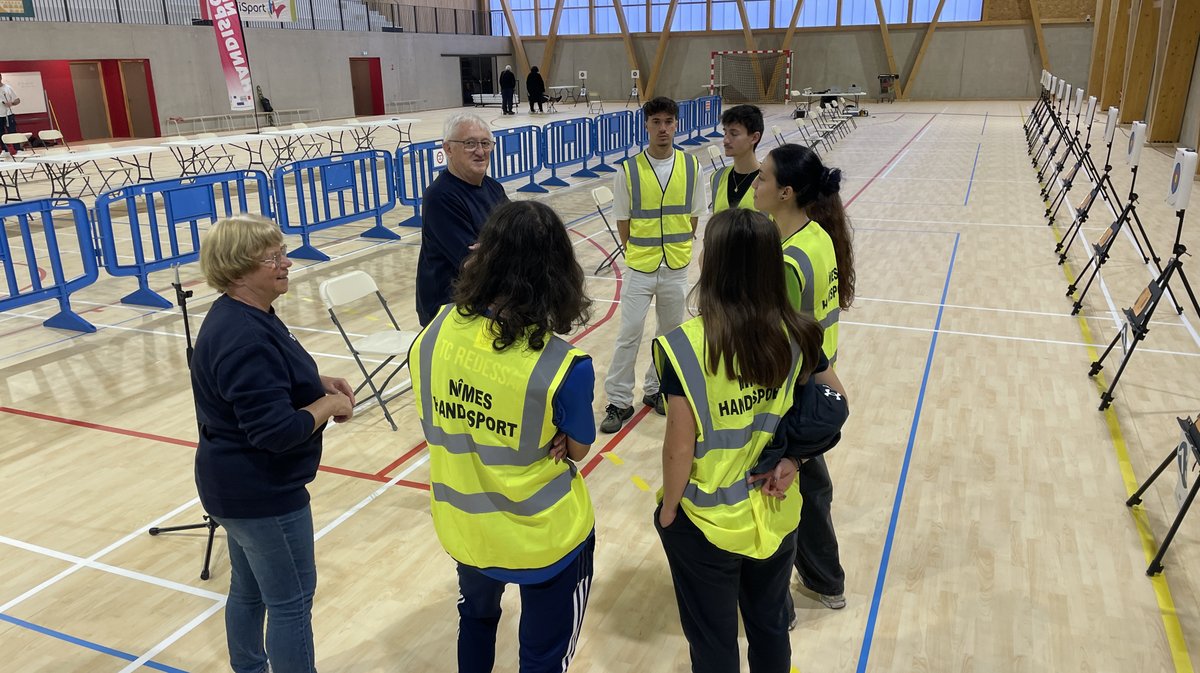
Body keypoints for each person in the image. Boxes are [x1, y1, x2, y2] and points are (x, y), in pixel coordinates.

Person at [653, 208, 846, 673]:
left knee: (713, 640)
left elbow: (680, 446)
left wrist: (669, 510)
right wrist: (797, 459)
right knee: (769, 626)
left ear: (712, 265)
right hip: (775, 510)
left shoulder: (683, 345)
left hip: (707, 520)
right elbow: (835, 401)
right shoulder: (799, 332)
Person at [410, 200, 598, 673]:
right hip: (544, 539)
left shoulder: (434, 333)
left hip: (465, 527)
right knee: (542, 656)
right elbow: (576, 448)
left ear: (483, 253)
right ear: (558, 271)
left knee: (475, 619)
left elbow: (435, 415)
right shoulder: (563, 366)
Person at [191, 214, 355, 673]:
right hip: (263, 495)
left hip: (232, 488)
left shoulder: (242, 314)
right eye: (273, 257)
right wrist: (327, 405)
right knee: (291, 600)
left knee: (250, 590)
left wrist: (314, 380)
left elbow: (262, 386)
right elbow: (276, 433)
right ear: (239, 268)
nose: (286, 263)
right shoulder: (244, 337)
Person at [753, 143, 857, 614]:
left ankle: (782, 604)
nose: (756, 184)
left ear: (786, 192)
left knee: (786, 489)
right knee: (811, 486)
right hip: (822, 374)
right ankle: (823, 579)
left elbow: (786, 350)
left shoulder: (787, 261)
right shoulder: (817, 234)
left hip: (799, 389)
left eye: (764, 179)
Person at [600, 96, 704, 433]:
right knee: (628, 334)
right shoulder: (628, 170)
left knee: (669, 336)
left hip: (675, 267)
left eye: (668, 121)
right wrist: (639, 251)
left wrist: (675, 247)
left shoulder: (692, 167)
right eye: (656, 121)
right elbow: (623, 222)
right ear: (646, 125)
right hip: (640, 267)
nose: (663, 128)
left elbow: (693, 217)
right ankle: (617, 401)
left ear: (677, 124)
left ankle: (656, 389)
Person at [415, 113, 509, 326]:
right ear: (448, 149)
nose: (480, 151)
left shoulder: (494, 188)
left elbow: (518, 235)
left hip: (488, 298)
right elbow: (473, 262)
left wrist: (493, 247)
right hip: (450, 308)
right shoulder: (440, 197)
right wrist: (502, 248)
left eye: (486, 144)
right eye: (469, 144)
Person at [710, 104, 763, 213]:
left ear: (754, 137)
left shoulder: (770, 181)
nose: (726, 140)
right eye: (725, 133)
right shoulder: (717, 178)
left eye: (734, 134)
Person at [0, 73, 21, 155]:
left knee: (12, 131)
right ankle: (5, 150)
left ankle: (18, 149)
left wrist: (11, 103)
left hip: (8, 114)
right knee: (0, 133)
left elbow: (17, 100)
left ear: (1, 78)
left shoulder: (8, 88)